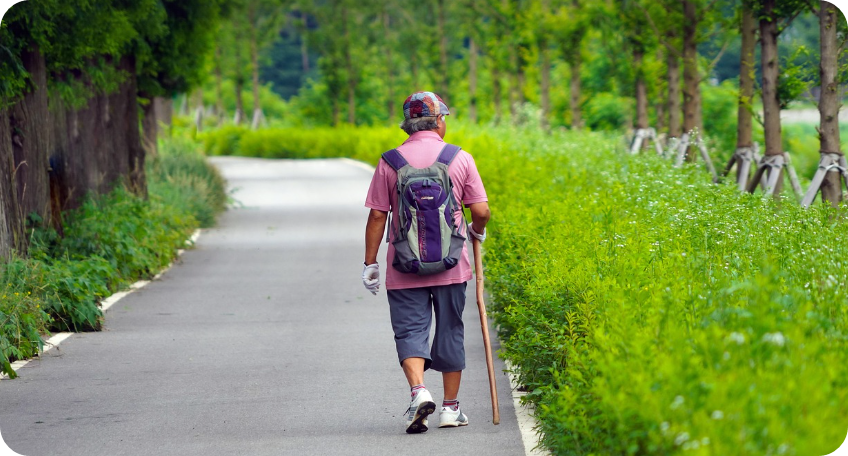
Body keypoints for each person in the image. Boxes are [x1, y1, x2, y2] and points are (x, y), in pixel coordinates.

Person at [362, 91, 490, 434]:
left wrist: (370, 263)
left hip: (404, 267)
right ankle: (450, 409)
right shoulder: (460, 158)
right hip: (452, 265)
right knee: (450, 329)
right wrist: (477, 232)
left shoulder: (389, 161)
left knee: (410, 331)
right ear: (440, 121)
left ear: (407, 125)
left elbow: (378, 216)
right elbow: (481, 211)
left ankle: (419, 392)